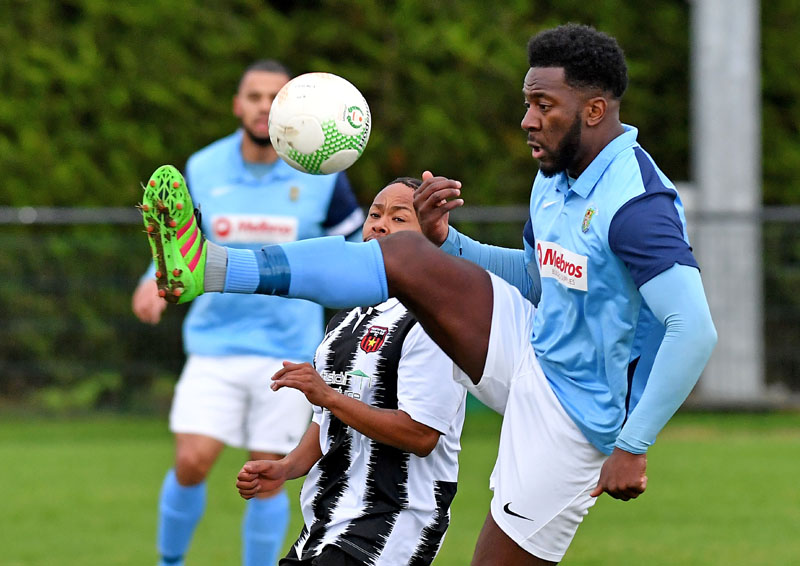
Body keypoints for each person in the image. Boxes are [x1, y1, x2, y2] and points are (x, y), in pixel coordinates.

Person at [140, 24, 717, 565]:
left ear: (594, 111)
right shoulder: (553, 180)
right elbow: (537, 281)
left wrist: (633, 445)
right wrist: (448, 244)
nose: (527, 120)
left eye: (544, 105)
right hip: (531, 348)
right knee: (407, 251)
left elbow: (693, 329)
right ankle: (210, 266)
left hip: (579, 415)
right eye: (527, 102)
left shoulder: (637, 205)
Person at [132, 59, 365, 566]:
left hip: (287, 350)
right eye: (254, 96)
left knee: (264, 476)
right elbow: (177, 238)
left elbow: (356, 251)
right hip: (214, 342)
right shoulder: (203, 166)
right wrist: (153, 279)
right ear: (238, 105)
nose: (263, 106)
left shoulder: (322, 172)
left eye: (273, 97)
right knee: (191, 461)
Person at [236, 178, 467, 566]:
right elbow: (327, 420)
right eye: (375, 214)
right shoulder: (347, 317)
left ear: (429, 234)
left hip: (393, 522)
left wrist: (327, 396)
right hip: (327, 520)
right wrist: (287, 467)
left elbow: (421, 434)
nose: (380, 224)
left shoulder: (433, 319)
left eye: (398, 218)